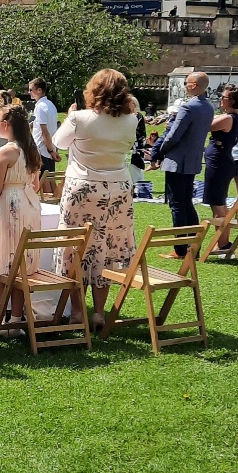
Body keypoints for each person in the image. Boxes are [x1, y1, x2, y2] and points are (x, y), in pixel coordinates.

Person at [53, 69, 140, 331]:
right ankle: (99, 312)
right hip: (118, 189)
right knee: (108, 249)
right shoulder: (132, 120)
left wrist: (69, 117)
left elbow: (59, 143)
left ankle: (79, 311)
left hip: (83, 188)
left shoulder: (79, 118)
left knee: (77, 248)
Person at [0, 100, 42, 323]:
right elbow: (35, 185)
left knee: (4, 264)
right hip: (30, 204)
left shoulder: (5, 152)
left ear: (6, 124)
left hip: (11, 204)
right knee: (21, 266)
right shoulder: (30, 150)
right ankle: (16, 319)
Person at [152, 70, 214, 253]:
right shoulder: (208, 107)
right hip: (192, 160)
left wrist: (158, 152)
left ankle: (180, 249)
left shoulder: (188, 107)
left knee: (177, 204)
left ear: (194, 85)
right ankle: (193, 245)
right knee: (186, 202)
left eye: (187, 83)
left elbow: (173, 136)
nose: (185, 85)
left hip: (177, 161)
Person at [202, 85, 238, 250]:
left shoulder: (229, 118)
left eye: (224, 97)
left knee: (218, 204)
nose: (221, 99)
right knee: (219, 203)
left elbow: (205, 125)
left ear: (233, 101)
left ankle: (223, 244)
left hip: (219, 164)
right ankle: (222, 242)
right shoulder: (231, 117)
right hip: (221, 162)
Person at [28, 78, 59, 181]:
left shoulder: (40, 107)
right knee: (50, 181)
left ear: (39, 90)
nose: (29, 92)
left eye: (31, 89)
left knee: (43, 184)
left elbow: (44, 132)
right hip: (49, 149)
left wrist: (51, 151)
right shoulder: (51, 105)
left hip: (42, 151)